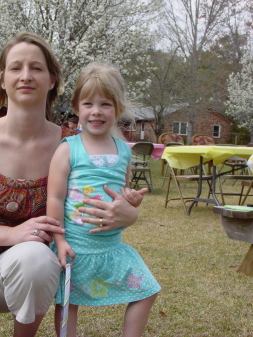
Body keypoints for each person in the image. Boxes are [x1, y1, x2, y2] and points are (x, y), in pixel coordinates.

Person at [0, 33, 140, 337]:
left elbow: (105, 191)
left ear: (52, 80)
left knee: (37, 257)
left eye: (36, 68)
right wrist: (12, 234)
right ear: (2, 79)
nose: (25, 76)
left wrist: (129, 214)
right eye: (15, 68)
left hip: (25, 265)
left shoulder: (71, 145)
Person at [47, 62, 161, 337]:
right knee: (67, 303)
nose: (96, 111)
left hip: (112, 248)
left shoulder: (123, 151)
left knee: (147, 290)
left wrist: (132, 201)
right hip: (75, 247)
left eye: (106, 104)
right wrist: (59, 241)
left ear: (118, 109)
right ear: (76, 107)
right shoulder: (68, 149)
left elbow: (122, 194)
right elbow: (54, 196)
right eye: (88, 103)